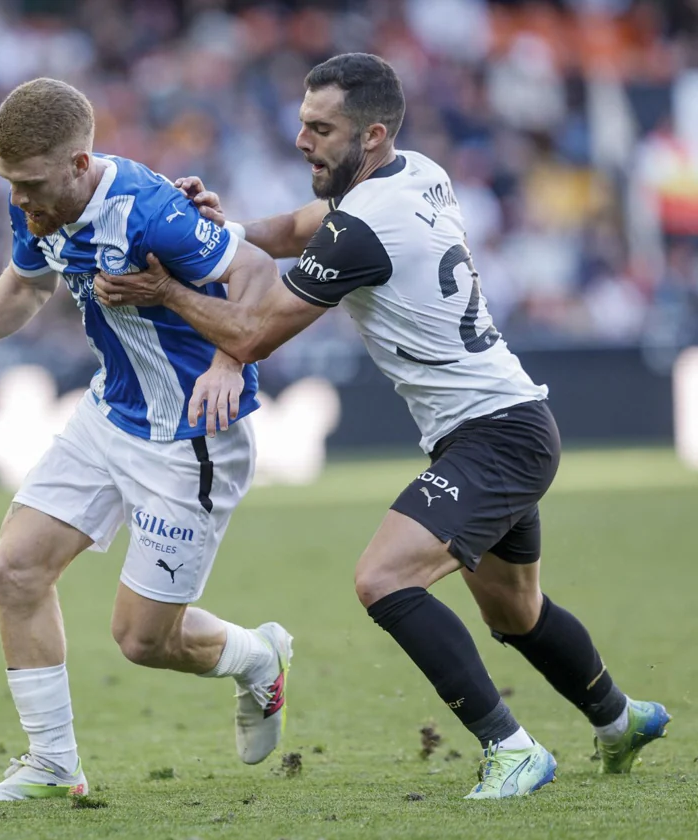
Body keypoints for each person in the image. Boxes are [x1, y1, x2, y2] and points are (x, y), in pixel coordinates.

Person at [94, 53, 670, 800]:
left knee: (382, 578)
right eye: (302, 123)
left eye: (320, 128)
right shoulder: (416, 172)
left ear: (369, 135)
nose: (302, 140)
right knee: (514, 609)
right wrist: (228, 232)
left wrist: (168, 288)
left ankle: (511, 747)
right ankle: (620, 718)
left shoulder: (367, 228)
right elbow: (311, 225)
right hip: (508, 422)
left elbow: (252, 333)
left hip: (496, 434)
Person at [0, 78, 293, 803]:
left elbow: (259, 273)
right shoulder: (44, 204)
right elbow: (25, 287)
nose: (20, 200)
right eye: (10, 184)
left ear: (79, 163)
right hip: (109, 415)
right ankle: (52, 764)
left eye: (31, 184)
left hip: (189, 439)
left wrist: (229, 361)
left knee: (144, 641)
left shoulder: (152, 213)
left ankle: (259, 657)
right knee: (14, 570)